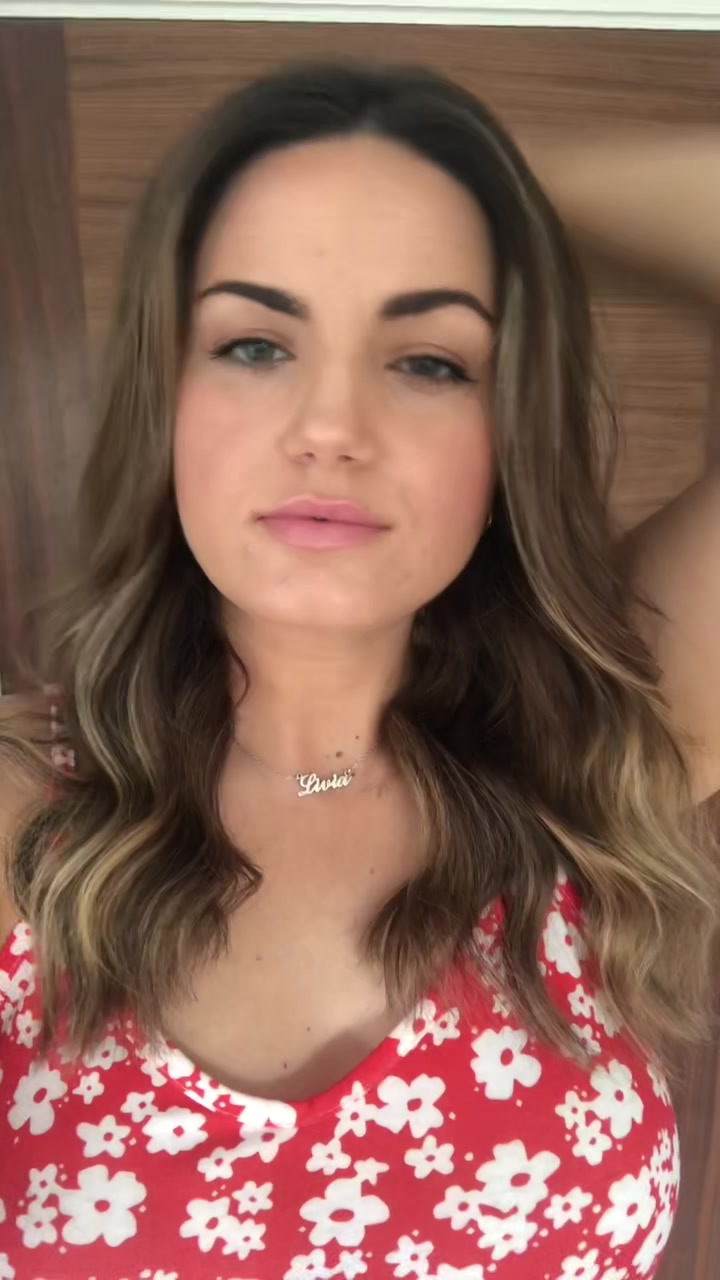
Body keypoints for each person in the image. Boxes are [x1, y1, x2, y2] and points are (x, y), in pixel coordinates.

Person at [0, 56, 718, 1280]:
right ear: (164, 402)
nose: (331, 426)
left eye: (429, 359)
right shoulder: (24, 811)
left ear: (509, 431)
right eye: (254, 342)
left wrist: (473, 192)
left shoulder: (598, 741)